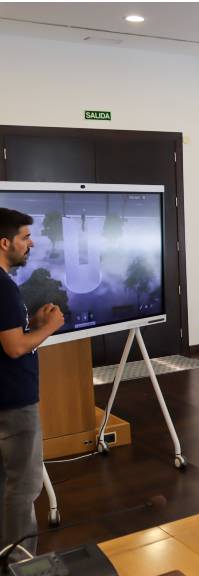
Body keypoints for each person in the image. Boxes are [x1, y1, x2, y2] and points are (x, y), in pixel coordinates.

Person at [0, 208, 64, 557]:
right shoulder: (4, 287)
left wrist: (33, 324)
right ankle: (22, 569)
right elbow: (14, 348)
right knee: (23, 489)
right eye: (25, 237)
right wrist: (49, 328)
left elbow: (9, 336)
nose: (31, 242)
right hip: (14, 404)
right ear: (5, 242)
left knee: (5, 487)